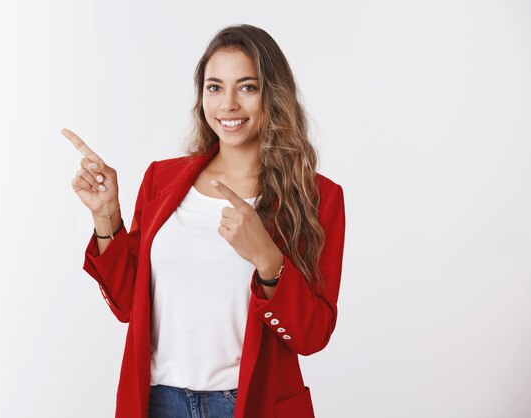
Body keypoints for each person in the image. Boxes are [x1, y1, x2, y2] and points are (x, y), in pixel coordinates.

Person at [62, 23, 345, 418]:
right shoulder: (162, 179)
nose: (228, 104)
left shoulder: (317, 197)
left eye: (247, 87)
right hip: (159, 402)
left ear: (273, 96)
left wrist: (268, 261)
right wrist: (106, 215)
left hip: (249, 405)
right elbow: (129, 304)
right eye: (215, 87)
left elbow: (313, 335)